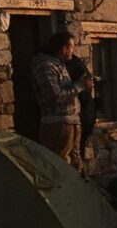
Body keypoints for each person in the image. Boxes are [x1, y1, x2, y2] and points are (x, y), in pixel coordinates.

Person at [31, 30, 91, 171]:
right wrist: (80, 86)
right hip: (58, 123)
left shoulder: (60, 65)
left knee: (75, 162)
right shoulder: (46, 67)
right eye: (71, 47)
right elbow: (55, 96)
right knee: (61, 163)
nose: (72, 51)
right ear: (64, 49)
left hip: (71, 121)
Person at [65, 44, 96, 170]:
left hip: (82, 114)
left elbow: (82, 93)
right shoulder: (74, 63)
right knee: (76, 153)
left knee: (73, 153)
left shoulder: (72, 65)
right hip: (85, 113)